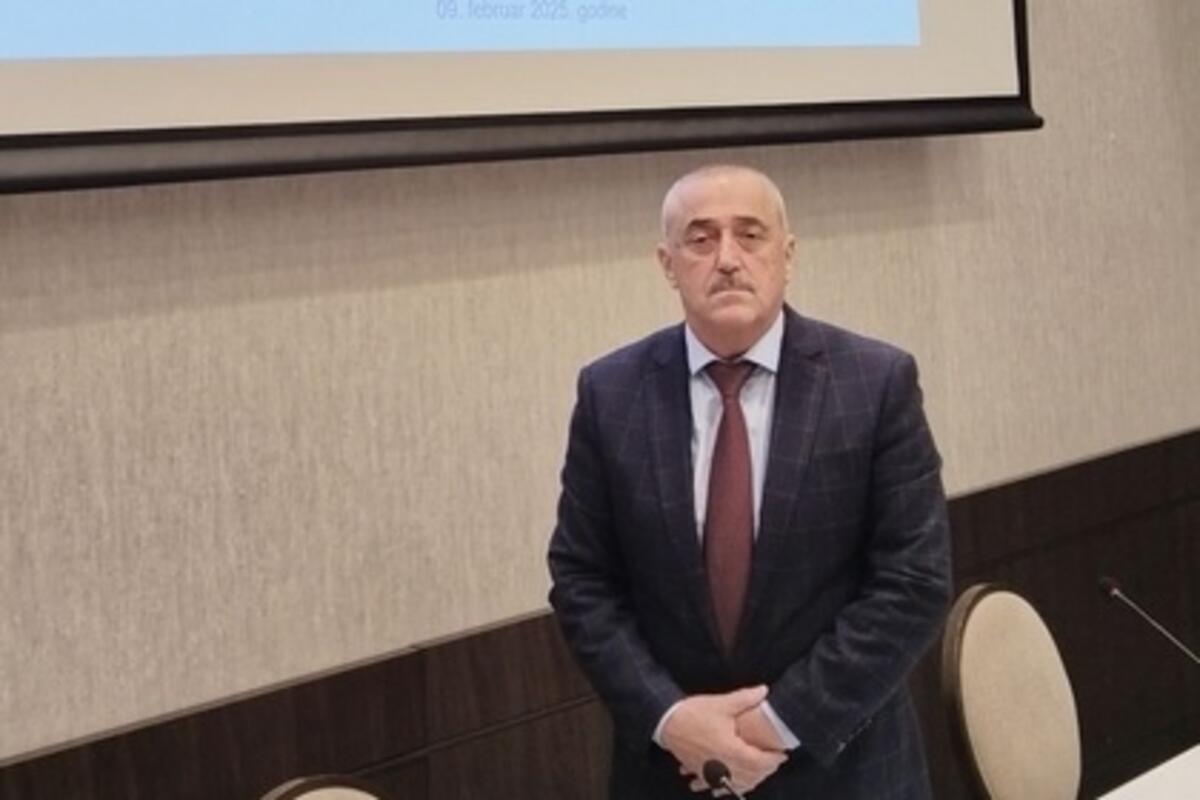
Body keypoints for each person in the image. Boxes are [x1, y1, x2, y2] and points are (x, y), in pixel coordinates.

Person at [547, 164, 952, 798]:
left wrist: (774, 725)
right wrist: (672, 719)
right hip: (670, 770)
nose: (728, 259)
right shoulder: (610, 393)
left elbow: (914, 581)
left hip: (845, 770)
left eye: (750, 235)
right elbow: (582, 581)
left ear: (787, 255)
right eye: (700, 238)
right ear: (667, 263)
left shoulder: (875, 383)